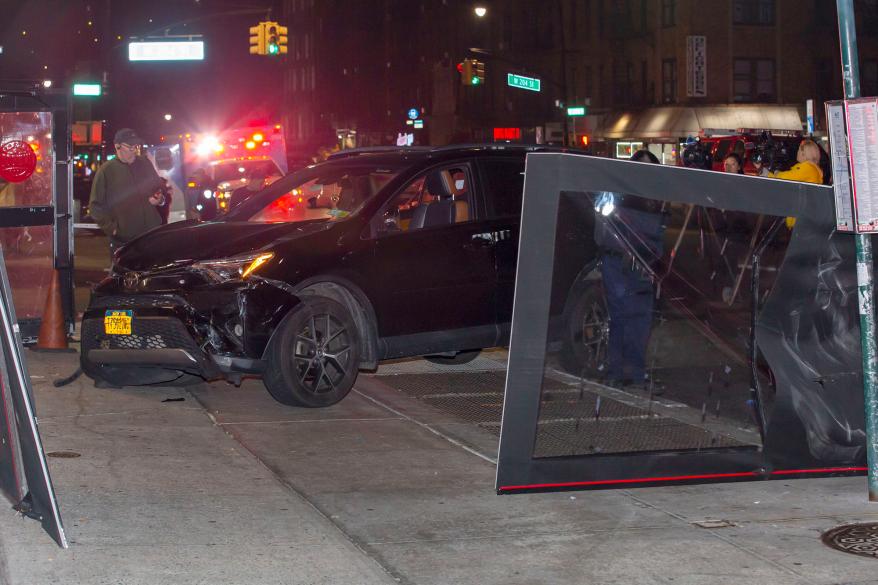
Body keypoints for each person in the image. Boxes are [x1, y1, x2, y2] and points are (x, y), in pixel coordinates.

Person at [597, 150, 665, 393]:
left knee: (640, 320)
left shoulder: (654, 198)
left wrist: (654, 262)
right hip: (617, 262)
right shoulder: (616, 192)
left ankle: (635, 373)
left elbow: (658, 236)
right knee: (620, 316)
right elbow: (603, 219)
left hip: (641, 265)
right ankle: (617, 371)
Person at [89, 128, 165, 259]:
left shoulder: (145, 163)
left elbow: (158, 187)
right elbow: (95, 206)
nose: (135, 149)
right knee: (127, 277)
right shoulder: (106, 171)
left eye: (136, 145)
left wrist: (160, 199)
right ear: (117, 146)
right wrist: (112, 229)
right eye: (130, 146)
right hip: (124, 241)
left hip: (152, 235)